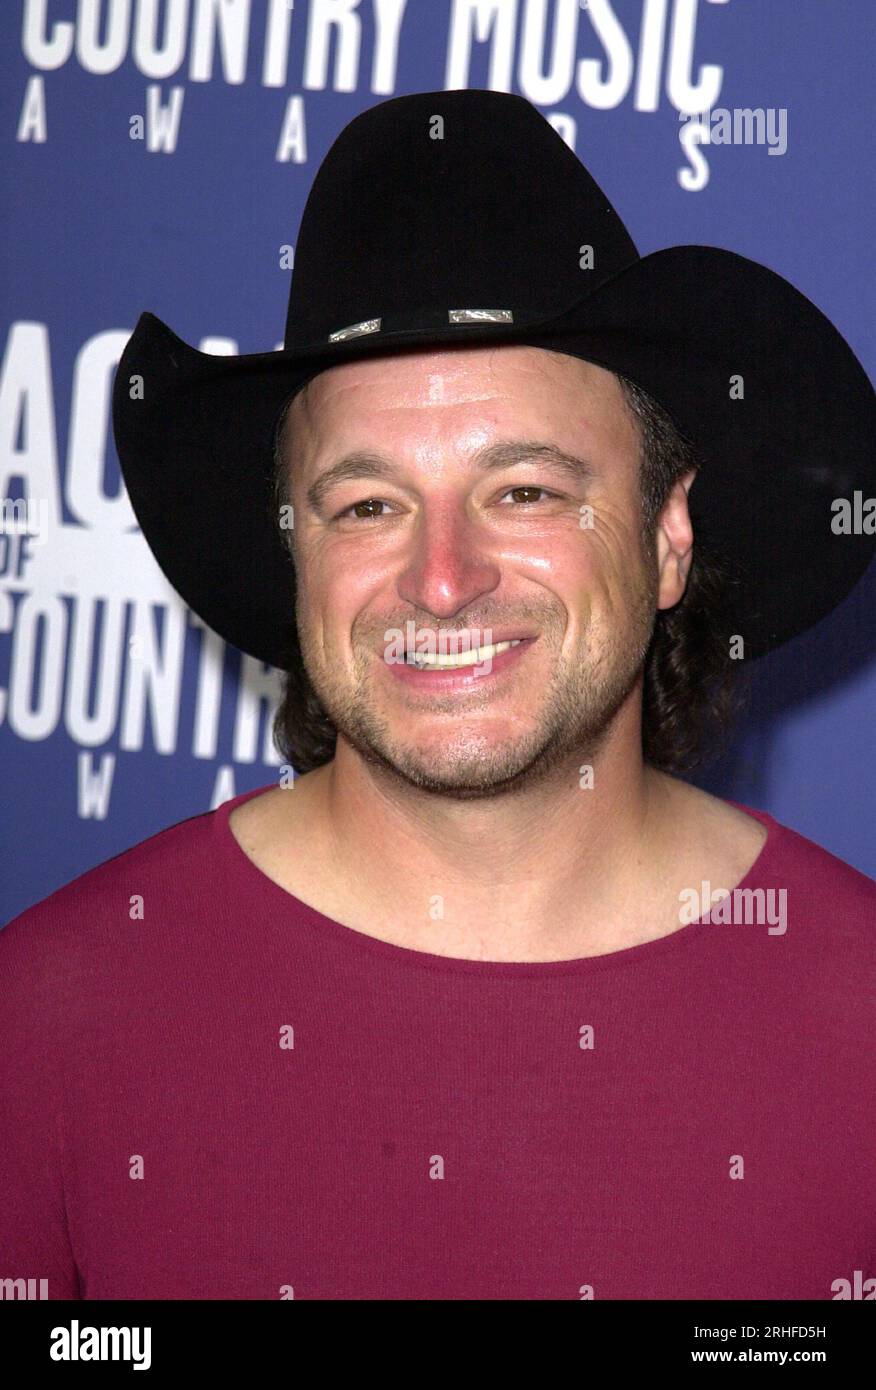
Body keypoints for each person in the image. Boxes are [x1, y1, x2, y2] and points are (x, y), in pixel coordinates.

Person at [1, 90, 873, 1301]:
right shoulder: (43, 1020)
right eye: (368, 505)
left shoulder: (858, 1019)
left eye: (523, 489)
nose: (443, 577)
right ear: (295, 549)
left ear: (668, 536)